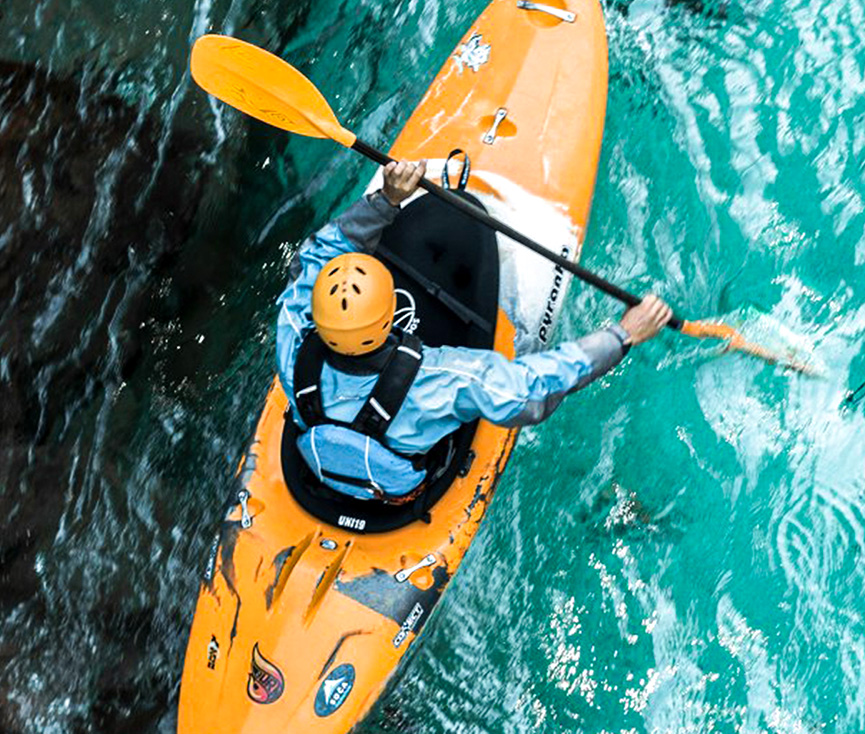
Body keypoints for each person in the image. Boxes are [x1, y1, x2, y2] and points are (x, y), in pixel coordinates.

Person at [276, 159, 672, 502]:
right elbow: (531, 392)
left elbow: (314, 258)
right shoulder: (441, 379)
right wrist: (622, 335)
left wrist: (386, 200)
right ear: (390, 314)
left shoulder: (293, 330)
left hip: (322, 461)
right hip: (400, 487)